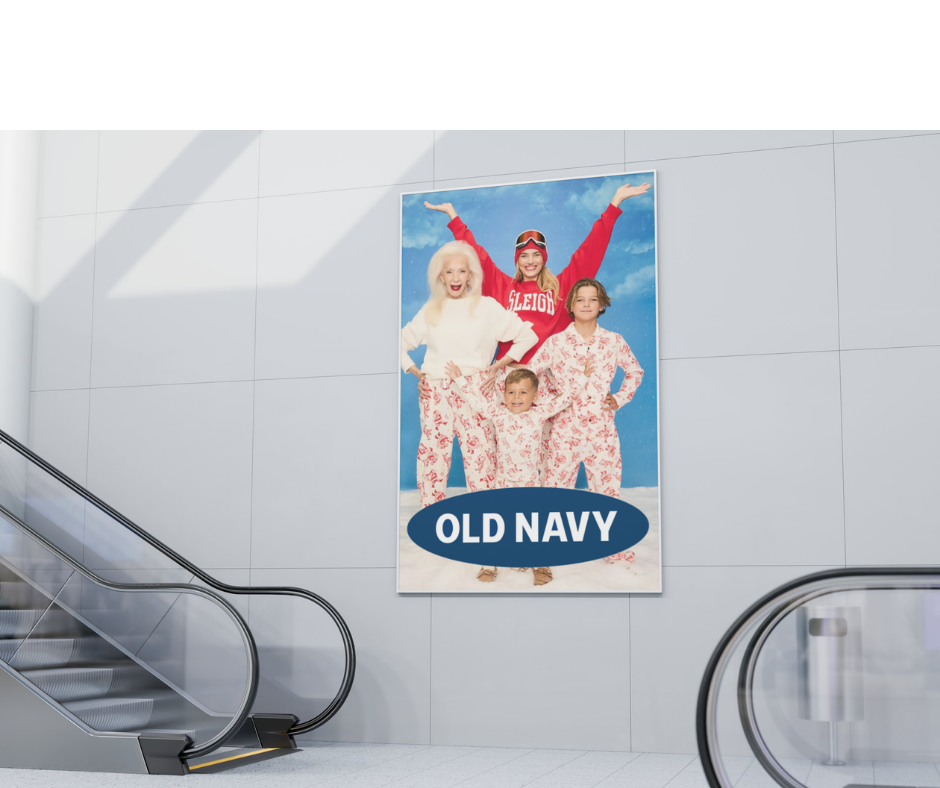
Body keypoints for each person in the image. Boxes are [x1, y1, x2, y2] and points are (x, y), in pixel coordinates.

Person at [401, 241, 537, 508]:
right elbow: (399, 344)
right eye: (449, 272)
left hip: (476, 389)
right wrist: (417, 373)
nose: (455, 278)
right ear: (440, 276)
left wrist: (497, 367)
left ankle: (485, 517)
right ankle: (431, 515)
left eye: (461, 272)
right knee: (433, 456)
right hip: (436, 391)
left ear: (470, 274)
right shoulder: (430, 310)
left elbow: (527, 336)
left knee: (481, 456)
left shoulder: (487, 307)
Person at [445, 360, 594, 587]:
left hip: (530, 483)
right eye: (511, 392)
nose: (516, 397)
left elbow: (564, 399)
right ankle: (488, 563)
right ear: (503, 395)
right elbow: (476, 400)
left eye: (523, 392)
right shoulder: (498, 413)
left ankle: (540, 562)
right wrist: (459, 379)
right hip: (502, 482)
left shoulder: (539, 414)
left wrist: (583, 377)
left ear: (534, 397)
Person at [527, 278, 644, 563]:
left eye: (593, 299)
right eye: (580, 299)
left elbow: (635, 372)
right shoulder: (556, 343)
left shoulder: (613, 341)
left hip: (602, 430)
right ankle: (549, 549)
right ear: (570, 304)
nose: (587, 304)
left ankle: (613, 550)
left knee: (606, 491)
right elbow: (530, 375)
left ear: (602, 304)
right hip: (565, 429)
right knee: (555, 489)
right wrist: (550, 402)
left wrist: (619, 398)